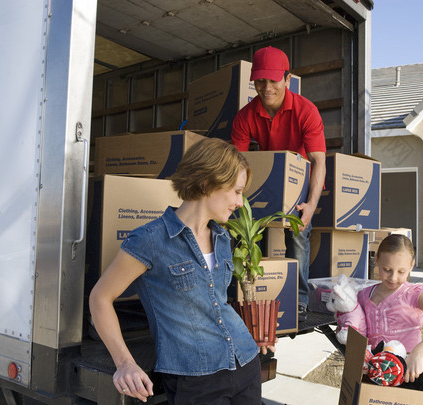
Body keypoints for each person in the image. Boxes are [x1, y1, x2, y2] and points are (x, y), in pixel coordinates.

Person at [89, 138, 273, 404]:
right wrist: (125, 363)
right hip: (196, 378)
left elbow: (215, 303)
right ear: (208, 183)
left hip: (244, 361)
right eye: (236, 191)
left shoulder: (222, 238)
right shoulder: (150, 240)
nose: (240, 202)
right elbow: (100, 298)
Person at [231, 46, 326, 321]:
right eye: (260, 80)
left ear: (287, 79)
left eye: (273, 80)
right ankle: (238, 295)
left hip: (297, 185)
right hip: (261, 181)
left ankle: (299, 300)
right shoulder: (245, 116)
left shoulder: (306, 111)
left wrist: (311, 205)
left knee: (298, 233)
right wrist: (234, 200)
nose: (266, 87)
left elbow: (319, 162)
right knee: (239, 232)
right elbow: (236, 163)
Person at [357, 234, 423, 383]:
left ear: (411, 266)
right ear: (376, 259)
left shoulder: (415, 294)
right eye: (387, 269)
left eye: (401, 272)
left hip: (408, 374)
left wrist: (419, 353)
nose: (393, 277)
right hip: (373, 375)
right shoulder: (364, 295)